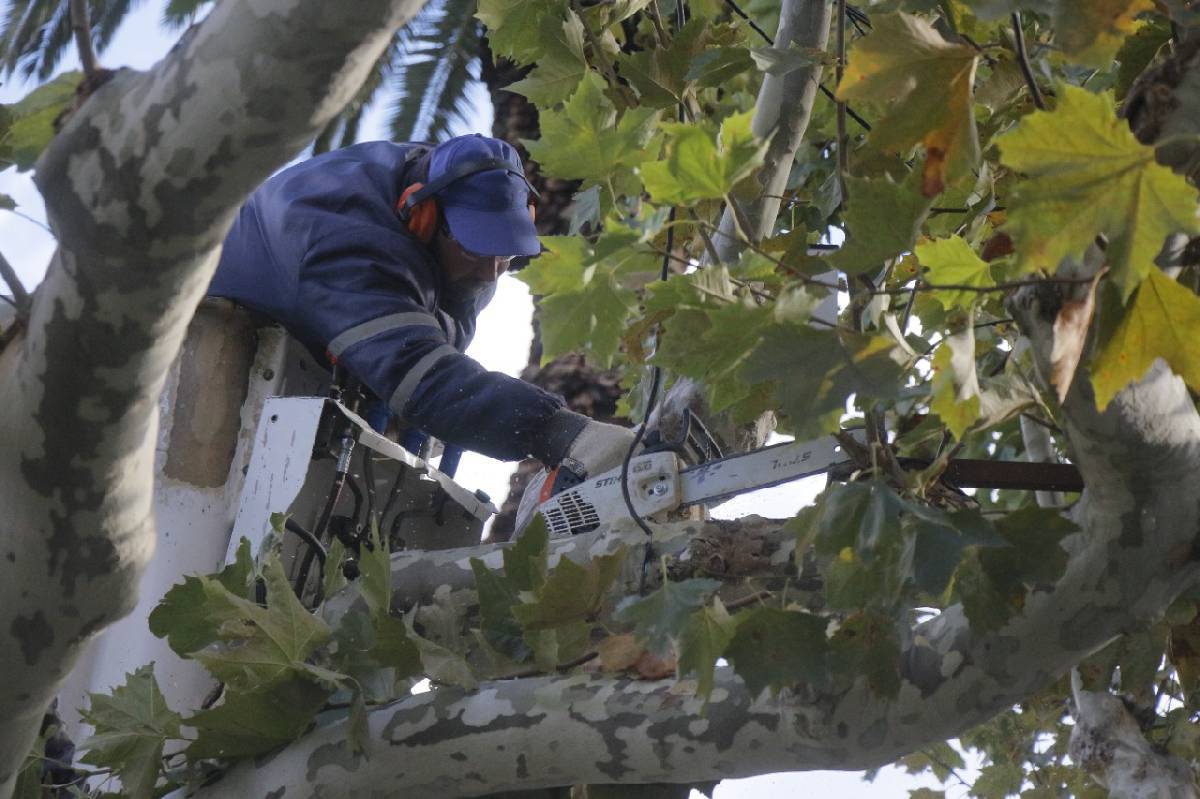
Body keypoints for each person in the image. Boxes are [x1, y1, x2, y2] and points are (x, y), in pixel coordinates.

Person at [209, 133, 635, 478]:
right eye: (474, 251)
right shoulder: (343, 239)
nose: (490, 274)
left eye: (503, 256)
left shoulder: (464, 211)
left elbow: (441, 339)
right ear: (423, 217)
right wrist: (558, 432)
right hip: (215, 378)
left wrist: (451, 406)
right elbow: (415, 374)